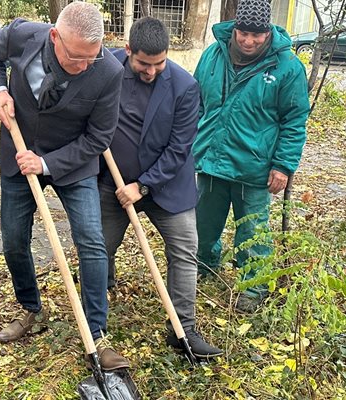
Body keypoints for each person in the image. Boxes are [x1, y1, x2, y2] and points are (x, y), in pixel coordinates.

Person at [0, 1, 129, 370]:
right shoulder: (21, 35)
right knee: (14, 239)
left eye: (90, 59)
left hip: (73, 163)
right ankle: (31, 308)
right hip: (18, 154)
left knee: (93, 243)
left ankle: (96, 332)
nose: (83, 66)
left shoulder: (108, 72)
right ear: (54, 37)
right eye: (76, 57)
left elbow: (98, 138)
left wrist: (46, 163)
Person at [99, 17, 223, 359]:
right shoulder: (104, 69)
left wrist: (143, 185)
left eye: (159, 63)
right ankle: (94, 323)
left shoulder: (184, 87)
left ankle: (183, 329)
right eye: (143, 63)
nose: (151, 71)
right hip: (114, 184)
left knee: (185, 250)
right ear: (127, 51)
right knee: (96, 248)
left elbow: (179, 149)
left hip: (166, 186)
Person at [192, 0, 310, 312]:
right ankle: (202, 270)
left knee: (253, 231)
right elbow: (196, 104)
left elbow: (294, 120)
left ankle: (252, 288)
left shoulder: (286, 68)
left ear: (268, 32)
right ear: (235, 28)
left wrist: (283, 165)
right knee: (203, 224)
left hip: (254, 168)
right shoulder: (212, 56)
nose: (249, 41)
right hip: (210, 162)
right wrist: (191, 145)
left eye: (257, 35)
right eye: (244, 33)